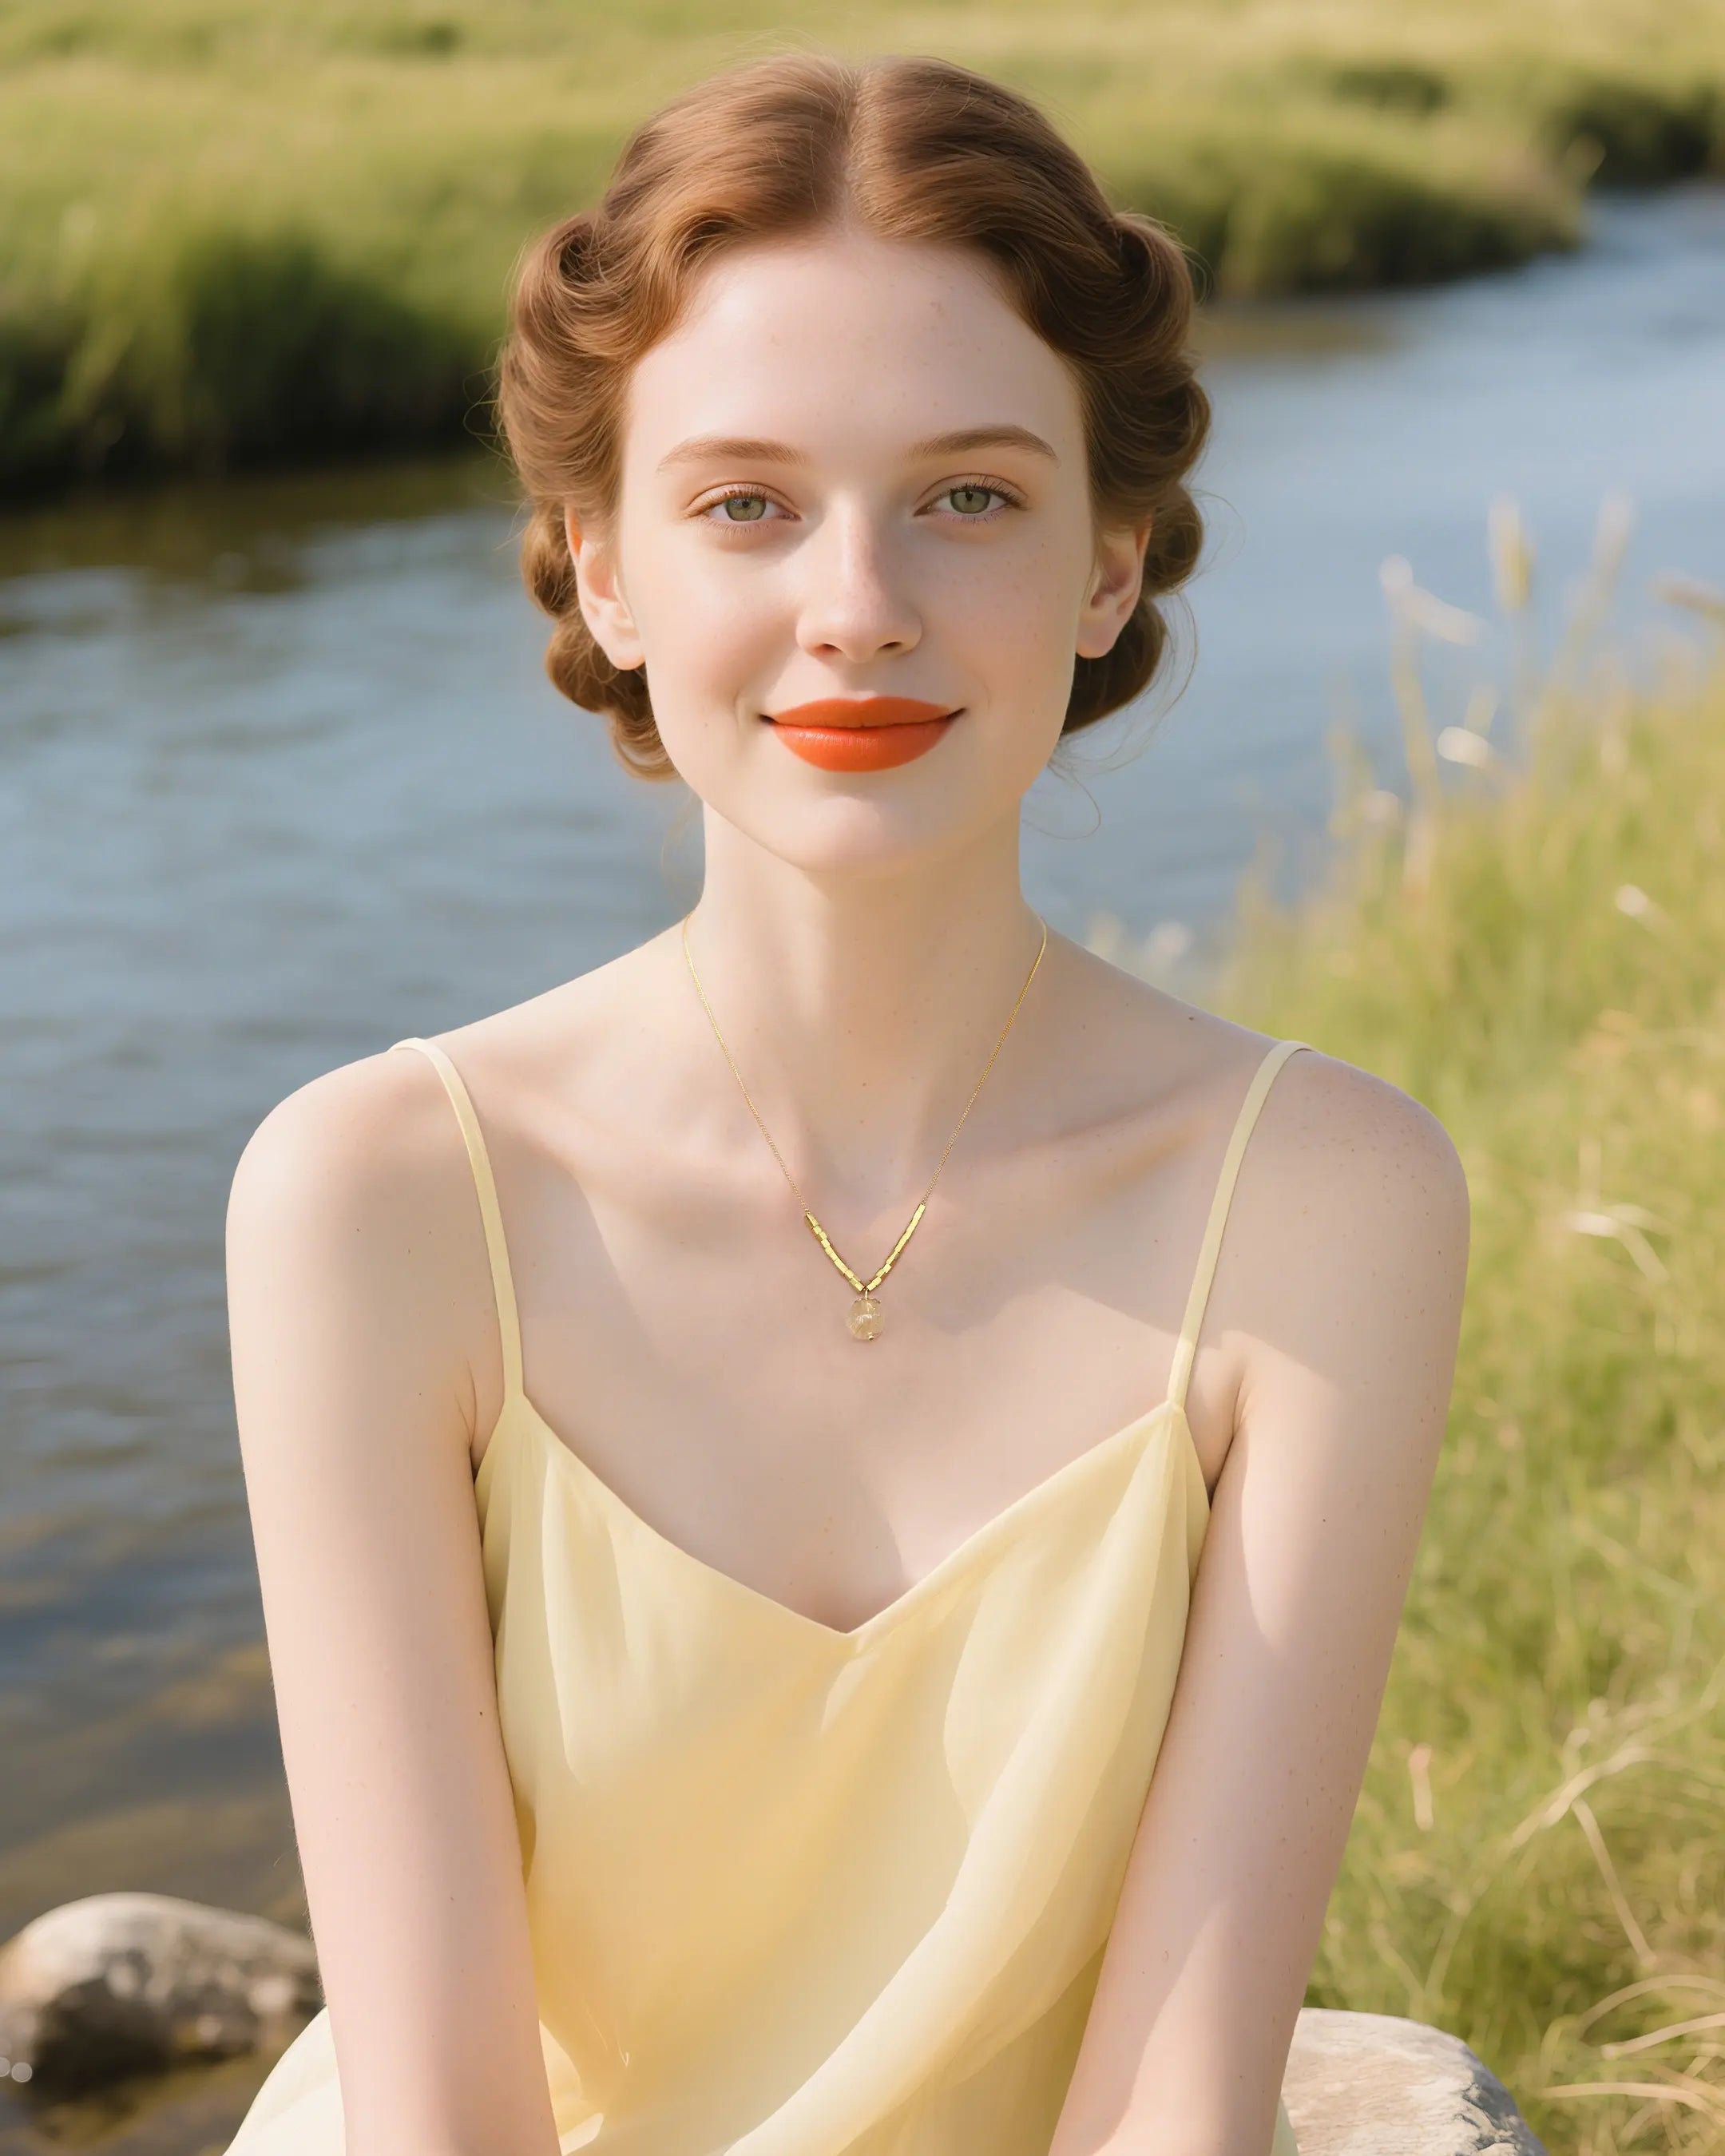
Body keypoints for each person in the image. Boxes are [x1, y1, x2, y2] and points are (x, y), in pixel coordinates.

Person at [220, 49, 1469, 2156]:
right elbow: (435, 2116)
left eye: (970, 492)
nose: (859, 600)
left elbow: (1179, 2106)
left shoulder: (1324, 1199)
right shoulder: (379, 1198)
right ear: (604, 568)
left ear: (1106, 564)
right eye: (746, 502)